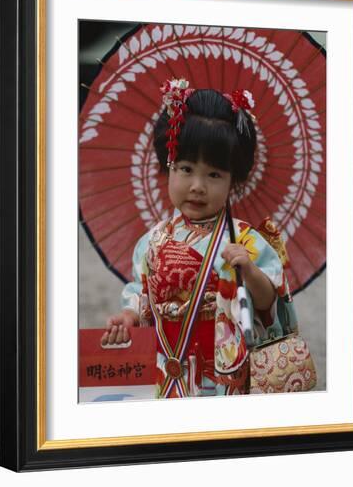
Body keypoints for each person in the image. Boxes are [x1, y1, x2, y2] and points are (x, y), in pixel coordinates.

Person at [101, 78, 293, 398]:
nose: (198, 186)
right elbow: (142, 291)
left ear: (234, 180)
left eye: (214, 174)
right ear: (168, 166)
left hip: (224, 370)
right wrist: (130, 315)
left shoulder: (246, 240)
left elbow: (271, 308)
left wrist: (251, 272)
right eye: (186, 168)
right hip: (169, 362)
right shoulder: (152, 241)